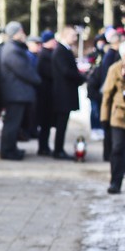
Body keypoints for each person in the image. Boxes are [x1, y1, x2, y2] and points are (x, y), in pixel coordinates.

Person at [0, 21, 41, 160]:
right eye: (21, 32)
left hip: (17, 93)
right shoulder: (12, 50)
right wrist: (37, 79)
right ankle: (7, 151)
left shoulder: (13, 48)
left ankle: (11, 148)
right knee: (12, 124)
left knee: (14, 124)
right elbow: (24, 70)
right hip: (15, 93)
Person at [51, 25, 86, 160]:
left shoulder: (64, 50)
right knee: (61, 124)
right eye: (73, 35)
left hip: (65, 92)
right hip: (62, 93)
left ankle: (59, 149)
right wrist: (81, 77)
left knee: (63, 123)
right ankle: (58, 150)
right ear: (65, 35)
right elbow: (66, 71)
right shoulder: (60, 51)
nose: (75, 38)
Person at [100, 42, 125, 194]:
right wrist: (104, 119)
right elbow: (107, 96)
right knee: (117, 148)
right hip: (118, 116)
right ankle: (115, 182)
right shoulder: (114, 69)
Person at [36, 30, 57, 155]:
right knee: (45, 124)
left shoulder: (46, 54)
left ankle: (44, 146)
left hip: (46, 94)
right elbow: (49, 73)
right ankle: (43, 147)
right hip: (45, 95)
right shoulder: (45, 55)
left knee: (46, 124)